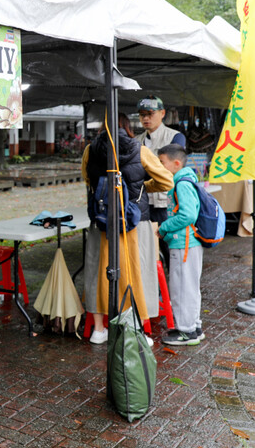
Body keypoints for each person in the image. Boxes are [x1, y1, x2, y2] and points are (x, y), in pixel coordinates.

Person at [82, 114, 173, 346]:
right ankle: (137, 331)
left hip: (101, 222)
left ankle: (99, 330)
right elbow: (166, 181)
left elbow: (87, 180)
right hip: (135, 222)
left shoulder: (90, 151)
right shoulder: (140, 150)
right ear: (127, 127)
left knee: (97, 273)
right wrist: (142, 186)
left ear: (103, 127)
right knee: (136, 272)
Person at [157, 144, 206, 346]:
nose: (160, 167)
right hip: (188, 244)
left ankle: (186, 332)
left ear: (176, 163)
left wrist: (163, 227)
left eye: (162, 163)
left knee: (181, 287)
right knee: (190, 286)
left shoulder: (182, 184)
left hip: (183, 244)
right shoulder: (185, 180)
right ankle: (194, 327)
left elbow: (187, 215)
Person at [135, 96, 187, 266]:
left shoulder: (176, 137)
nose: (146, 118)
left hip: (165, 202)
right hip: (143, 202)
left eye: (150, 113)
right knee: (145, 247)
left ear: (162, 113)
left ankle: (172, 284)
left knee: (169, 246)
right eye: (142, 115)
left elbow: (170, 170)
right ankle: (153, 286)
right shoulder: (136, 141)